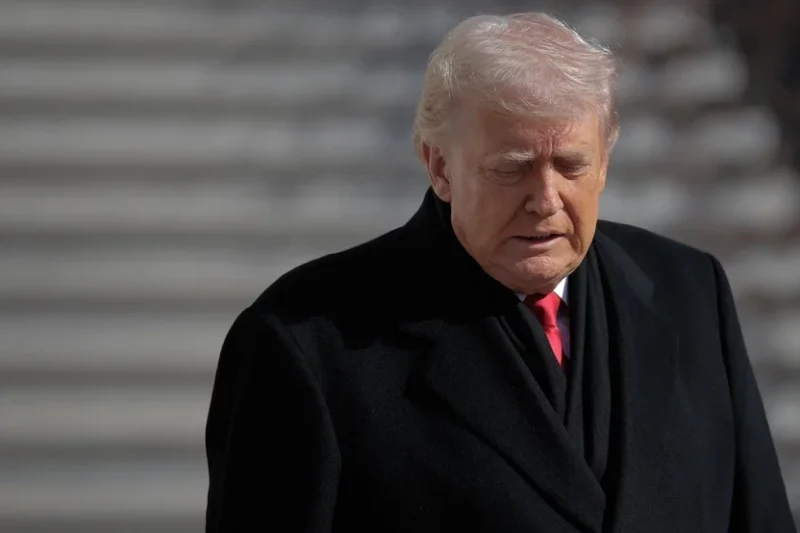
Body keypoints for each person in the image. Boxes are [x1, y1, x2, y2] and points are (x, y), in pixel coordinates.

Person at [205, 12, 796, 533]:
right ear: (439, 167)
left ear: (605, 163)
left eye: (571, 166)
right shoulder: (307, 341)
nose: (545, 200)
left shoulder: (689, 292)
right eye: (513, 168)